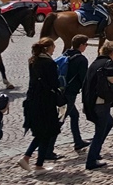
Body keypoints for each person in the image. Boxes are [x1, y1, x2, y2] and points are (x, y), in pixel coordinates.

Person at [19, 38, 63, 172]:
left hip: (33, 99)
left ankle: (32, 161)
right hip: (45, 101)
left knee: (42, 132)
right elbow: (54, 83)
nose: (54, 49)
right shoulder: (49, 63)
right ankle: (34, 162)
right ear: (48, 48)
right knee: (46, 132)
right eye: (53, 46)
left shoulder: (33, 60)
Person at [83, 39, 113, 170]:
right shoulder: (108, 63)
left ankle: (96, 151)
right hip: (101, 102)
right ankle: (91, 160)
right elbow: (112, 78)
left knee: (108, 123)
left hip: (91, 101)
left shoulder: (95, 62)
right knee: (99, 131)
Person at [61, 34, 91, 152]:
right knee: (60, 120)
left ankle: (78, 141)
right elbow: (84, 79)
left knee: (74, 115)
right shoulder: (81, 59)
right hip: (70, 93)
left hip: (63, 90)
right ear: (81, 45)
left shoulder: (66, 54)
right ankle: (47, 148)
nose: (86, 47)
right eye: (86, 44)